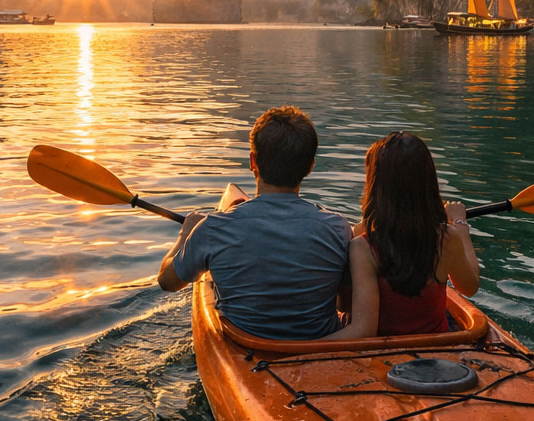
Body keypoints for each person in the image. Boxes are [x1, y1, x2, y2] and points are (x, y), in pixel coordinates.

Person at [157, 106, 377, 341]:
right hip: (317, 350)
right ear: (310, 167)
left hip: (248, 345)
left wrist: (186, 232)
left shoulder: (212, 228)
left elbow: (167, 282)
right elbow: (344, 302)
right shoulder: (337, 228)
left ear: (253, 161)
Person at [358, 131, 480, 336]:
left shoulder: (362, 247)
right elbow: (470, 286)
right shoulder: (447, 238)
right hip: (435, 347)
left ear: (375, 185)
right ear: (429, 182)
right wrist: (460, 224)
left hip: (379, 349)